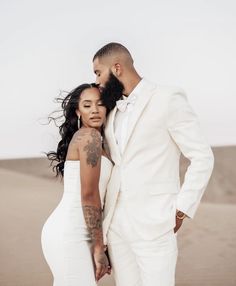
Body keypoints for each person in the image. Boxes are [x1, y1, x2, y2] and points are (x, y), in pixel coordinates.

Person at [92, 42, 214, 286]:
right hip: (117, 228)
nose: (96, 81)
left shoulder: (167, 98)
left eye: (98, 72)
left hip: (156, 223)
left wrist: (181, 208)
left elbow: (202, 156)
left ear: (116, 68)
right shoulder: (113, 111)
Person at [41, 83, 112, 286]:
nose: (95, 110)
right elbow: (89, 194)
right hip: (70, 232)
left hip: (83, 232)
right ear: (78, 111)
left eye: (100, 104)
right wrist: (99, 247)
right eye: (87, 105)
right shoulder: (89, 137)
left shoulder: (99, 140)